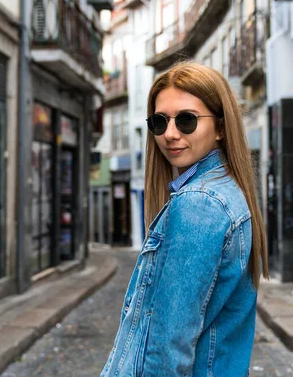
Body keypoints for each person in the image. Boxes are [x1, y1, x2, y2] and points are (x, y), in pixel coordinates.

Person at [101, 62, 269, 377]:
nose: (170, 134)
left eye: (187, 120)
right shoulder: (225, 192)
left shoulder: (199, 204)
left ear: (220, 127)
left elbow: (168, 349)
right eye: (159, 122)